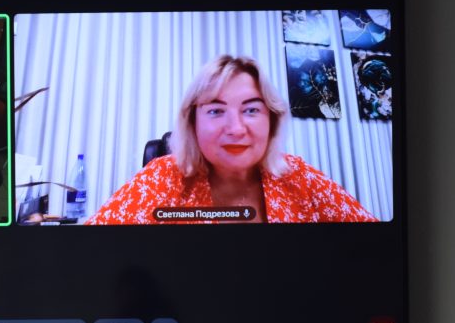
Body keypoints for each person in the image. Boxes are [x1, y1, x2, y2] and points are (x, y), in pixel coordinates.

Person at [87, 55, 378, 224]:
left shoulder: (300, 177)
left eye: (251, 110)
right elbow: (92, 253)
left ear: (272, 120)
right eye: (216, 110)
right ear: (193, 122)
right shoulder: (160, 178)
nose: (236, 129)